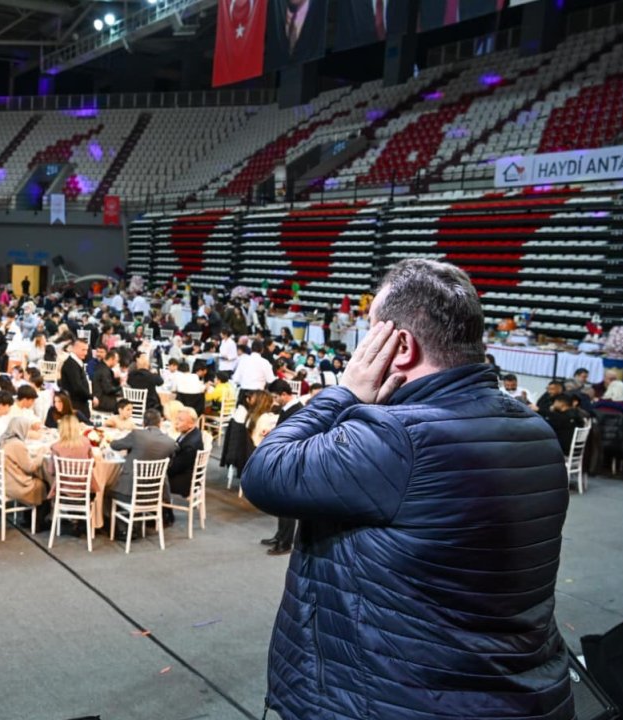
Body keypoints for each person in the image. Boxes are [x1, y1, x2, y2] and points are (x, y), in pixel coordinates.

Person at [241, 258, 572, 720]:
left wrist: (345, 392)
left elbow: (264, 472)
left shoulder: (396, 438)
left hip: (394, 700)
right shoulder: (535, 431)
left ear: (398, 345)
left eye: (370, 331)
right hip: (518, 692)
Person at [107, 409, 175, 503]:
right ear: (160, 423)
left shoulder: (137, 435)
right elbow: (170, 464)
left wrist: (110, 440)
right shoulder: (170, 442)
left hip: (129, 492)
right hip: (156, 493)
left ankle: (109, 517)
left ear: (143, 423)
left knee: (105, 488)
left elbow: (115, 446)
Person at [0, 416, 49, 512]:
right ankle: (39, 520)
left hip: (3, 481)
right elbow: (31, 468)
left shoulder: (2, 439)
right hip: (17, 485)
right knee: (46, 483)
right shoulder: (17, 444)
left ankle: (31, 517)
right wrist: (41, 453)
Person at [165, 407, 204, 502]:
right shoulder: (193, 432)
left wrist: (160, 468)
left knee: (151, 479)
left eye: (180, 420)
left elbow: (174, 468)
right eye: (177, 419)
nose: (176, 422)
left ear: (191, 424)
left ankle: (161, 512)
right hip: (186, 474)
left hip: (185, 482)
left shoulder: (189, 445)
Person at [58, 339, 93, 422]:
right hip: (75, 405)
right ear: (75, 349)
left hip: (80, 403)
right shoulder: (71, 365)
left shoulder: (76, 362)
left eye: (86, 350)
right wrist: (90, 396)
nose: (86, 353)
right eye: (83, 350)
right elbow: (77, 387)